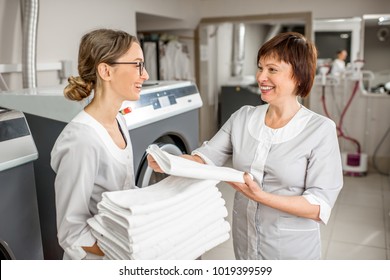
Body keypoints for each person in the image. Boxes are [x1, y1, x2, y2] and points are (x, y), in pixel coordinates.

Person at [148, 32, 343, 260]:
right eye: (260, 68)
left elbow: (318, 205)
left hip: (290, 249)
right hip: (245, 239)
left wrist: (262, 197)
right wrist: (168, 161)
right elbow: (205, 159)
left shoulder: (320, 130)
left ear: (299, 76)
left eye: (272, 69)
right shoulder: (243, 117)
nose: (261, 77)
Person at [51, 28, 149, 259]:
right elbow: (71, 231)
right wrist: (125, 248)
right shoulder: (81, 139)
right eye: (138, 65)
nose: (145, 75)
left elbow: (123, 191)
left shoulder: (119, 120)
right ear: (106, 70)